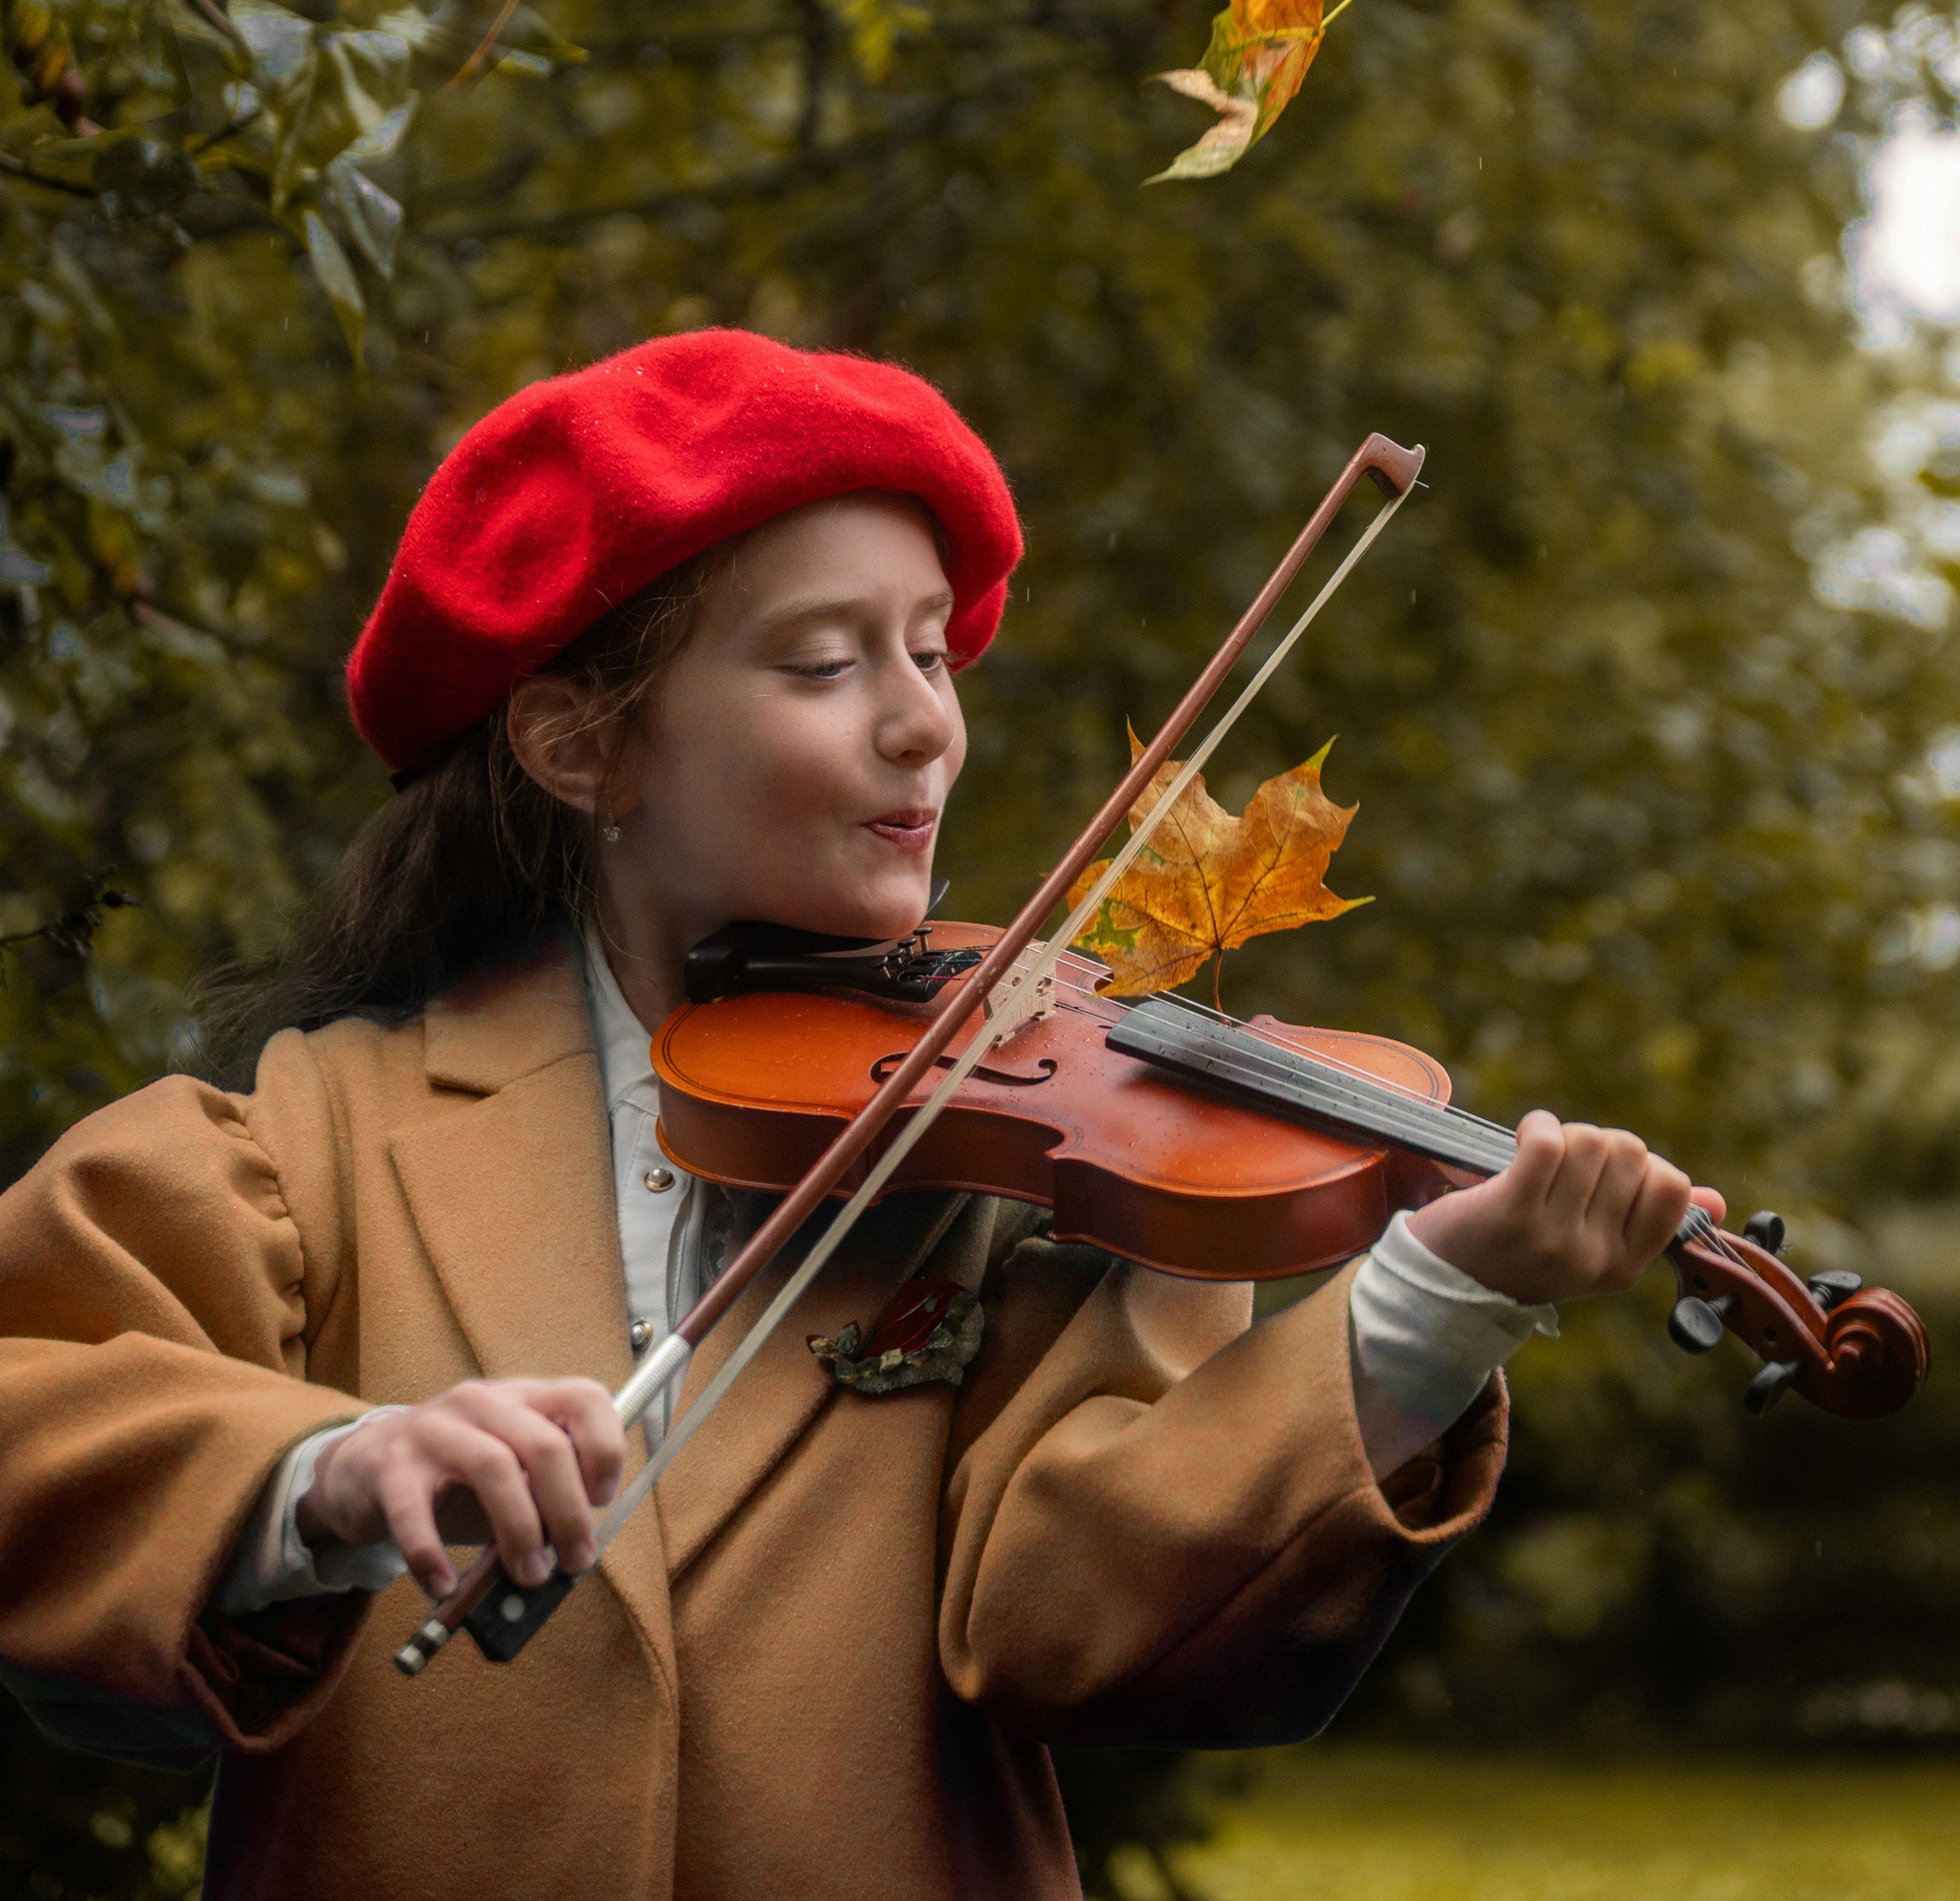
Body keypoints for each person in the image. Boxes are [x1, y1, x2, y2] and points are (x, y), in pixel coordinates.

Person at [0, 331, 1712, 1901]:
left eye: (929, 650)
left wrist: (1436, 1303)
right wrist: (325, 1473)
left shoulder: (1042, 1157)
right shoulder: (309, 1143)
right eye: (824, 663)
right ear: (581, 748)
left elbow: (1097, 1626)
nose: (924, 724)